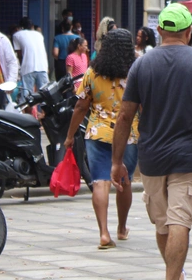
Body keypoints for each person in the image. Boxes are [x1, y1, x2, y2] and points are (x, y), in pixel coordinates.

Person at [111, 3, 192, 280]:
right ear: (189, 32)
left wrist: (117, 162)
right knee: (180, 222)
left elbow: (124, 117)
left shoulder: (141, 64)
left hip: (151, 158)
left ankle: (174, 277)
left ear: (160, 30)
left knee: (164, 225)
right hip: (189, 156)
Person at [65, 28, 139, 249]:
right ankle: (122, 228)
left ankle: (104, 233)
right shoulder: (135, 73)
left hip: (97, 133)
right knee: (124, 182)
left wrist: (70, 136)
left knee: (100, 181)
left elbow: (80, 106)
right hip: (129, 135)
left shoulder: (92, 72)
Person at [12, 17, 49, 103]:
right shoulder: (39, 35)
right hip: (42, 67)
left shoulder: (17, 35)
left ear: (20, 27)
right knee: (46, 95)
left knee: (27, 97)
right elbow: (43, 52)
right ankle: (46, 114)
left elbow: (19, 54)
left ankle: (28, 115)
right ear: (32, 26)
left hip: (27, 68)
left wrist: (20, 67)